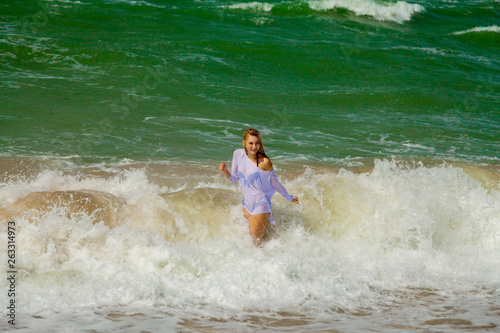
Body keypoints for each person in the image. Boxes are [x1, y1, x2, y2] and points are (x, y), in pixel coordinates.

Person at [219, 128, 299, 246]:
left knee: (253, 246)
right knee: (252, 245)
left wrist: (289, 197)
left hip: (260, 206)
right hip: (246, 205)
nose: (254, 146)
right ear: (244, 143)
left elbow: (274, 182)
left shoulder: (264, 162)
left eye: (257, 143)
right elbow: (235, 180)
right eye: (251, 143)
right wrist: (225, 171)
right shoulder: (238, 154)